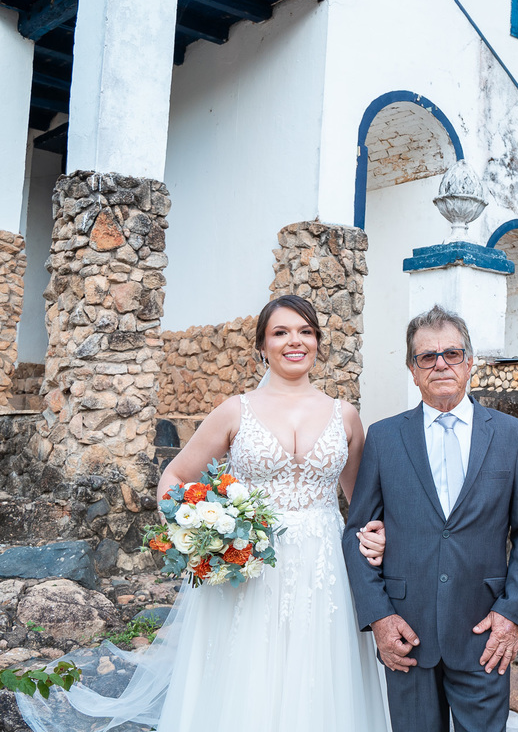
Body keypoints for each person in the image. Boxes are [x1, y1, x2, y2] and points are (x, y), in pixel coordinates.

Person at [17, 294, 391, 732]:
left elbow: (361, 505)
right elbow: (175, 476)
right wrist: (194, 537)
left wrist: (375, 535)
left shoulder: (346, 416)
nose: (295, 341)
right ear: (262, 345)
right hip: (248, 565)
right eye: (281, 332)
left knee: (320, 669)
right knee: (248, 669)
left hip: (324, 568)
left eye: (305, 331)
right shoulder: (235, 411)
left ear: (317, 342)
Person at [343, 305, 518, 732]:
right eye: (427, 357)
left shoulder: (511, 436)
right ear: (412, 370)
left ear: (469, 362)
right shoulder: (384, 438)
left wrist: (511, 615)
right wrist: (380, 618)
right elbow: (357, 534)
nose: (440, 364)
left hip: (484, 632)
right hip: (405, 633)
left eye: (452, 354)